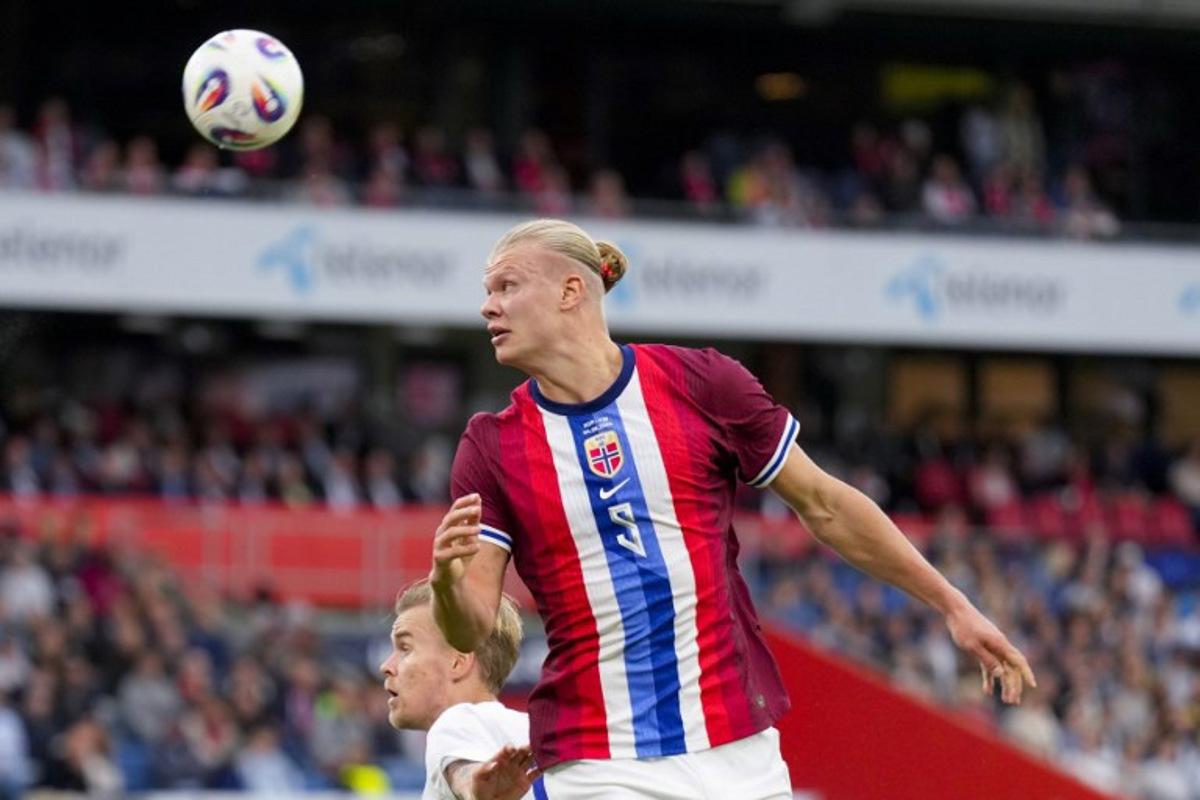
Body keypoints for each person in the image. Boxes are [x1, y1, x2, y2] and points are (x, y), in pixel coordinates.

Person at [429, 219, 1037, 799]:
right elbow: (471, 627)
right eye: (487, 292)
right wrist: (447, 584)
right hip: (596, 758)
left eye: (507, 286)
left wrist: (953, 606)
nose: (488, 307)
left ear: (571, 290)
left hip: (737, 750)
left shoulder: (702, 383)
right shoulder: (491, 445)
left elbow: (825, 504)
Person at [380, 579, 542, 800]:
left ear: (458, 663)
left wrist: (474, 786)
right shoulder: (535, 732)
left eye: (405, 648)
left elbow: (462, 771)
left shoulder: (453, 721)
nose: (386, 666)